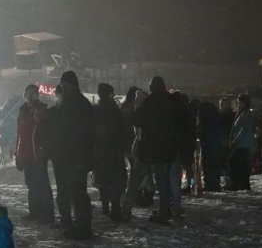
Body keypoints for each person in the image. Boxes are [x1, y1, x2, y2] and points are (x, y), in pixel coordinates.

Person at [42, 71, 94, 238]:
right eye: (62, 85)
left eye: (66, 85)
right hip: (63, 157)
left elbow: (84, 135)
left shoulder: (80, 104)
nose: (63, 88)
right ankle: (74, 224)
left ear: (73, 85)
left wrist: (81, 159)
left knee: (79, 194)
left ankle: (83, 228)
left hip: (76, 157)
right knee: (67, 191)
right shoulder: (66, 104)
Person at [125, 76, 179, 224]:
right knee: (163, 182)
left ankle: (125, 211)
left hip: (148, 148)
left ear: (151, 87)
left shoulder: (149, 102)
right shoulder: (171, 102)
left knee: (135, 181)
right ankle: (163, 212)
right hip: (167, 149)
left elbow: (136, 120)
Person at [15, 84, 55, 223]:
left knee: (42, 184)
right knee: (31, 184)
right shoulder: (22, 111)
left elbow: (41, 125)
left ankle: (47, 214)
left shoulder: (41, 109)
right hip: (25, 152)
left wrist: (35, 106)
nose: (29, 95)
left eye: (32, 93)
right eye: (27, 92)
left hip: (37, 153)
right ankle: (35, 212)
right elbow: (19, 134)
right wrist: (17, 153)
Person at [93, 83, 129, 219]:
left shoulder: (96, 110)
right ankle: (115, 207)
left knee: (103, 180)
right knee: (115, 179)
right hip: (114, 151)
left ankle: (105, 207)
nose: (114, 95)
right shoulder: (115, 110)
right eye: (112, 92)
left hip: (100, 151)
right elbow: (122, 130)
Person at [229, 94, 255, 191]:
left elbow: (242, 129)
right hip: (245, 143)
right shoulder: (244, 113)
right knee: (242, 164)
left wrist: (236, 140)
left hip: (242, 143)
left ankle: (236, 184)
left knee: (234, 162)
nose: (238, 105)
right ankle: (243, 184)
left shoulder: (245, 114)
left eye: (239, 103)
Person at [196, 101, 222, 194]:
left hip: (208, 146)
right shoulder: (216, 119)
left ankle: (210, 185)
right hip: (216, 146)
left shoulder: (206, 122)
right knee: (214, 167)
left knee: (208, 167)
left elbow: (202, 133)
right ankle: (215, 184)